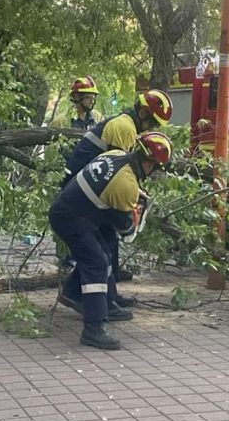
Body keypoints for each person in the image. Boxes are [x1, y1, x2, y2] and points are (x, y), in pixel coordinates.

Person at [49, 131, 174, 349]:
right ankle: (94, 328)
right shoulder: (126, 185)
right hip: (71, 218)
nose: (154, 173)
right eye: (156, 168)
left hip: (76, 210)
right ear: (150, 163)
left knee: (103, 251)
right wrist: (137, 217)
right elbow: (126, 231)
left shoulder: (117, 155)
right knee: (96, 262)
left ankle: (75, 295)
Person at [60, 89, 173, 309]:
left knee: (105, 244)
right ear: (142, 113)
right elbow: (119, 171)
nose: (153, 129)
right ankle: (89, 298)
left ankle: (107, 295)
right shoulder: (124, 128)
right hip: (83, 193)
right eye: (152, 123)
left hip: (88, 189)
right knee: (101, 245)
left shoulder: (126, 125)